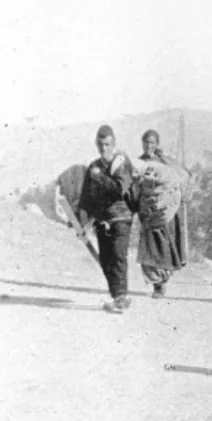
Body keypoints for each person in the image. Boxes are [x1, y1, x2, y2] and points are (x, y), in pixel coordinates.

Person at [77, 125, 136, 313]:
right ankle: (118, 296)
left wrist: (100, 178)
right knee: (105, 259)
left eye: (107, 144)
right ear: (96, 144)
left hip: (121, 217)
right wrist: (83, 220)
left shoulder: (122, 162)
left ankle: (121, 296)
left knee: (118, 255)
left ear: (114, 144)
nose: (104, 148)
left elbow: (120, 189)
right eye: (101, 144)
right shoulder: (93, 167)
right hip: (101, 220)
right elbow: (86, 197)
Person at [131, 129, 192, 298]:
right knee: (149, 247)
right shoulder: (139, 162)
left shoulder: (166, 161)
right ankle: (156, 283)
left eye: (152, 142)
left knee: (163, 245)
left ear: (157, 144)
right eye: (146, 142)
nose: (149, 145)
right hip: (148, 211)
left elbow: (182, 177)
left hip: (166, 212)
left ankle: (162, 282)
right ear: (142, 143)